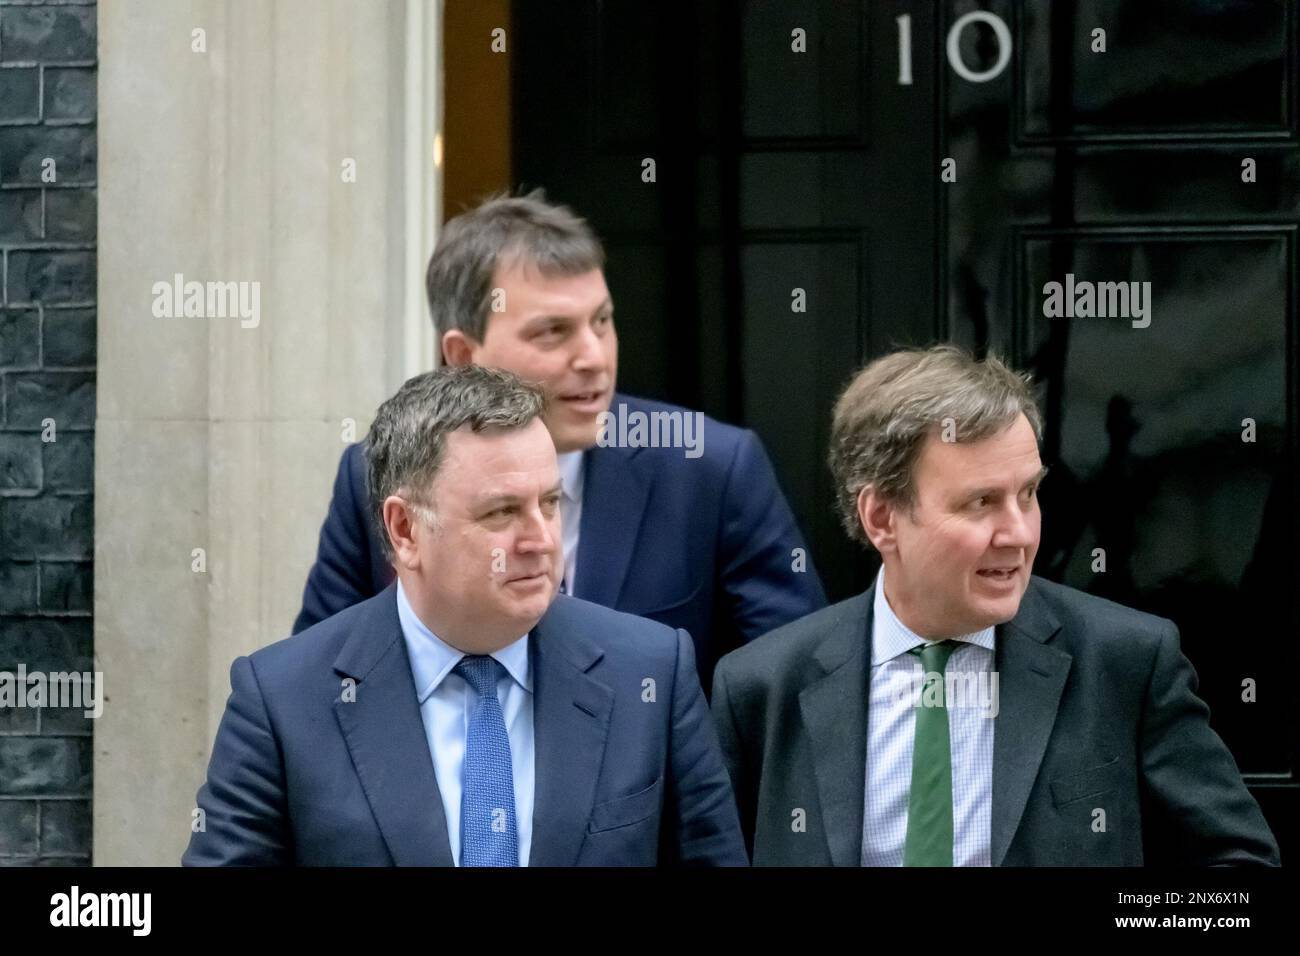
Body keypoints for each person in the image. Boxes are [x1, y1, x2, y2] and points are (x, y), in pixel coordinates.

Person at [711, 345, 1280, 866]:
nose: (1020, 534)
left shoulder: (1125, 661)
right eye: (981, 502)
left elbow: (1241, 864)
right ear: (882, 517)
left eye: (1028, 494)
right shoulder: (761, 688)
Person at [185, 365, 747, 866]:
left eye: (550, 503)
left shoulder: (650, 675)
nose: (540, 540)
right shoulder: (282, 701)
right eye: (502, 511)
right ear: (405, 529)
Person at [292, 191, 825, 692]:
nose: (593, 357)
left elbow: (796, 686)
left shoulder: (711, 467)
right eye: (552, 331)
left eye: (602, 322)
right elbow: (319, 683)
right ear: (463, 355)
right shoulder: (379, 473)